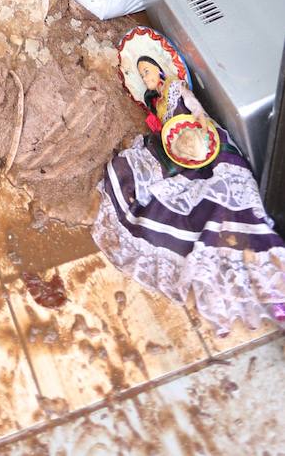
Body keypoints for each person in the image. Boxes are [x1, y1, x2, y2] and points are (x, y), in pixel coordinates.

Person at [93, 54, 285, 336]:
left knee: (221, 192)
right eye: (143, 74)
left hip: (199, 135)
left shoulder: (173, 87)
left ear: (160, 70)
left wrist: (194, 116)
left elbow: (193, 109)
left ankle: (265, 276)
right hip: (175, 143)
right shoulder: (154, 99)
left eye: (148, 71)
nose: (147, 78)